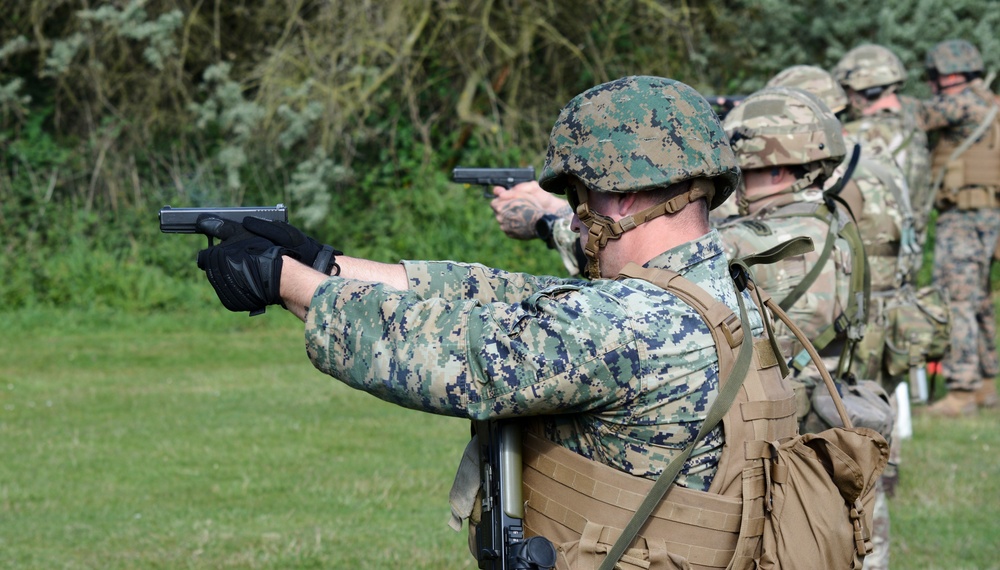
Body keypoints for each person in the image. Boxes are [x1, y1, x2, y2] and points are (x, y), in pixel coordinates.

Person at [193, 75, 799, 569]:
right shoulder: (725, 290)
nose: (578, 217)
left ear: (618, 194)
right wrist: (328, 264)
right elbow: (513, 297)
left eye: (580, 194)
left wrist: (284, 282)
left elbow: (458, 357)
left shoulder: (627, 325)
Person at [919, 39, 1000, 417]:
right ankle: (986, 383)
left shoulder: (964, 102)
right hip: (986, 216)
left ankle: (962, 388)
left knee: (956, 300)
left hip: (965, 219)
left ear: (947, 75)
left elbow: (917, 116)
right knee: (979, 301)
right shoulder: (989, 102)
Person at [833, 43, 934, 254]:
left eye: (848, 90)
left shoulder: (855, 134)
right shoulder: (914, 130)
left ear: (865, 89)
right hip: (907, 253)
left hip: (865, 257)